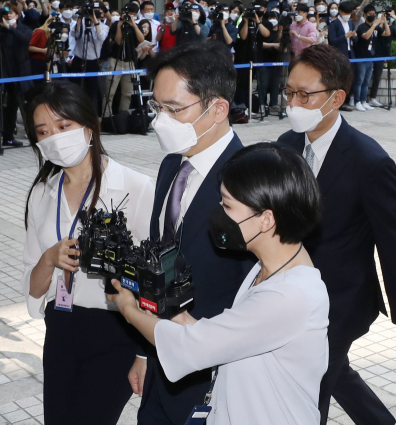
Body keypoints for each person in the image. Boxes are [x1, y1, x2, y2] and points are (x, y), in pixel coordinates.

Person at [109, 143, 328, 425]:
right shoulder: (268, 268)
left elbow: (191, 347)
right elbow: (221, 335)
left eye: (227, 205)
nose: (218, 213)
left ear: (266, 219)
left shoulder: (289, 296)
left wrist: (128, 310)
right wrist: (177, 314)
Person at [134, 41, 255, 425]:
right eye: (157, 107)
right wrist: (144, 351)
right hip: (160, 364)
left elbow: (253, 295)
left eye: (173, 109)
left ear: (218, 109)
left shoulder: (250, 182)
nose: (160, 121)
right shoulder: (171, 165)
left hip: (215, 375)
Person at [21, 81, 154, 425]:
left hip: (117, 330)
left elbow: (154, 278)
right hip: (62, 326)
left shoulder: (136, 188)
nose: (54, 137)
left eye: (64, 126)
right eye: (43, 131)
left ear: (89, 127)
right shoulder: (41, 195)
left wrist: (145, 353)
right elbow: (34, 289)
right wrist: (49, 259)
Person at [277, 43, 396, 425]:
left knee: (312, 386)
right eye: (289, 91)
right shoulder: (286, 145)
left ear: (337, 98)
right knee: (335, 372)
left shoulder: (369, 161)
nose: (294, 102)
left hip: (341, 301)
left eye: (305, 94)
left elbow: (392, 242)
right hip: (290, 294)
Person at [0, 4, 32, 147]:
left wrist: (8, 27)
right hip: (2, 69)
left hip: (19, 71)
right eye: (6, 15)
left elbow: (24, 39)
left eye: (12, 14)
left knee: (13, 105)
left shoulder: (24, 28)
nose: (8, 16)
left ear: (17, 15)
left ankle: (9, 136)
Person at [103, 2, 143, 116]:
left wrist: (133, 25)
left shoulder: (136, 25)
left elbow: (141, 38)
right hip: (116, 61)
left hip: (130, 62)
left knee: (127, 93)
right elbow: (119, 42)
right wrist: (120, 26)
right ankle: (107, 116)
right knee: (110, 92)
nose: (131, 16)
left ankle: (123, 116)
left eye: (134, 14)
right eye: (130, 13)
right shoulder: (116, 24)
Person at [352, 6, 391, 112]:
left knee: (366, 81)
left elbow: (387, 34)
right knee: (359, 81)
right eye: (370, 13)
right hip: (361, 58)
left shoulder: (377, 27)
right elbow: (366, 36)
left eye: (373, 13)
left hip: (371, 58)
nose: (372, 15)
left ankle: (364, 101)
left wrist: (385, 22)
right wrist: (374, 25)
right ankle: (357, 102)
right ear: (365, 14)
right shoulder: (362, 27)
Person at [70, 9, 108, 115]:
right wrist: (80, 19)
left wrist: (95, 22)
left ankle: (90, 114)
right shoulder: (81, 23)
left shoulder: (104, 27)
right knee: (75, 87)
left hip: (93, 61)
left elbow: (101, 37)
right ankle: (75, 112)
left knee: (91, 90)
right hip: (78, 59)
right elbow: (74, 33)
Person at [327, 1, 355, 111]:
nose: (348, 15)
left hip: (350, 53)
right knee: (340, 79)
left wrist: (353, 36)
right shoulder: (334, 24)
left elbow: (353, 40)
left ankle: (348, 99)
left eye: (350, 13)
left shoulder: (351, 23)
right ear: (340, 12)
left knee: (349, 78)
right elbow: (332, 41)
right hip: (339, 54)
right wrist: (345, 36)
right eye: (346, 12)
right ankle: (339, 102)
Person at [368, 8, 396, 107]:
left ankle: (373, 98)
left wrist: (393, 19)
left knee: (377, 77)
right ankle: (362, 98)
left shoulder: (392, 27)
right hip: (375, 54)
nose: (388, 17)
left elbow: (388, 34)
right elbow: (380, 32)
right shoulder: (376, 27)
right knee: (365, 78)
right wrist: (381, 21)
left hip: (385, 55)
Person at [260, 10, 281, 113]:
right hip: (264, 60)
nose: (272, 20)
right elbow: (260, 43)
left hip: (277, 61)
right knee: (263, 84)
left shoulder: (280, 32)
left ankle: (274, 103)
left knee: (275, 84)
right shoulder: (264, 31)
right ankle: (262, 104)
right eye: (270, 18)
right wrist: (272, 45)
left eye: (274, 18)